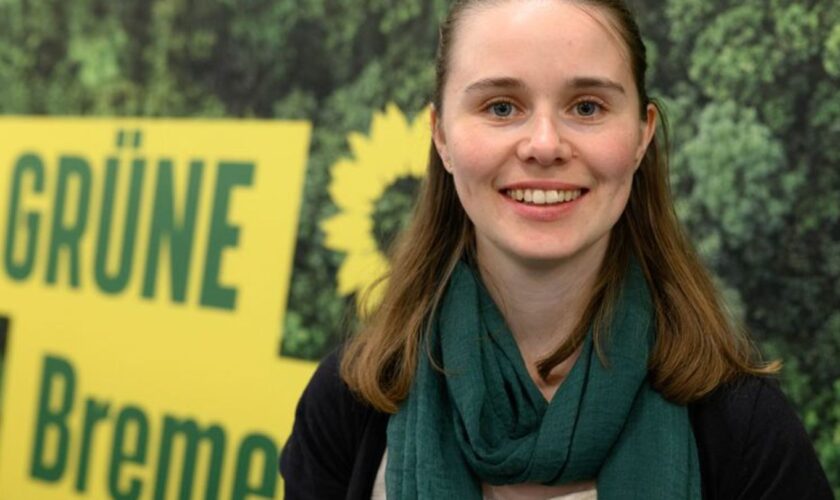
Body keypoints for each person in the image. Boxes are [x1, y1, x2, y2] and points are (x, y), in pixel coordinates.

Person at [280, 0, 833, 498]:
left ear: (642, 136)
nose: (544, 145)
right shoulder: (350, 403)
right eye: (501, 107)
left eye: (587, 107)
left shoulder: (743, 427)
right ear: (441, 135)